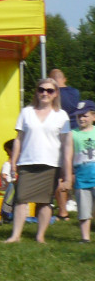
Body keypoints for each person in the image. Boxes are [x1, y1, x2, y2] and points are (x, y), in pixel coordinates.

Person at [4, 77, 72, 244]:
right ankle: (15, 236)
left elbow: (67, 145)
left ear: (56, 94)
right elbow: (18, 139)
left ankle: (40, 236)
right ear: (36, 92)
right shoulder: (26, 112)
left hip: (51, 164)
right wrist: (13, 162)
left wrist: (67, 173)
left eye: (49, 90)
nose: (45, 93)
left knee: (45, 202)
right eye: (41, 89)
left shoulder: (61, 116)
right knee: (21, 199)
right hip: (27, 162)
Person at [51, 69, 80, 219]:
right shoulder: (75, 93)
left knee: (61, 175)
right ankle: (73, 200)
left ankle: (63, 210)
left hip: (59, 135)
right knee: (75, 171)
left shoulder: (53, 94)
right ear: (65, 79)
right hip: (77, 133)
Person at [69, 100, 95, 243]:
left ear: (93, 116)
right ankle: (85, 237)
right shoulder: (73, 134)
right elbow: (68, 155)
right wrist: (69, 174)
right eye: (79, 116)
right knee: (84, 210)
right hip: (81, 178)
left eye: (85, 115)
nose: (81, 118)